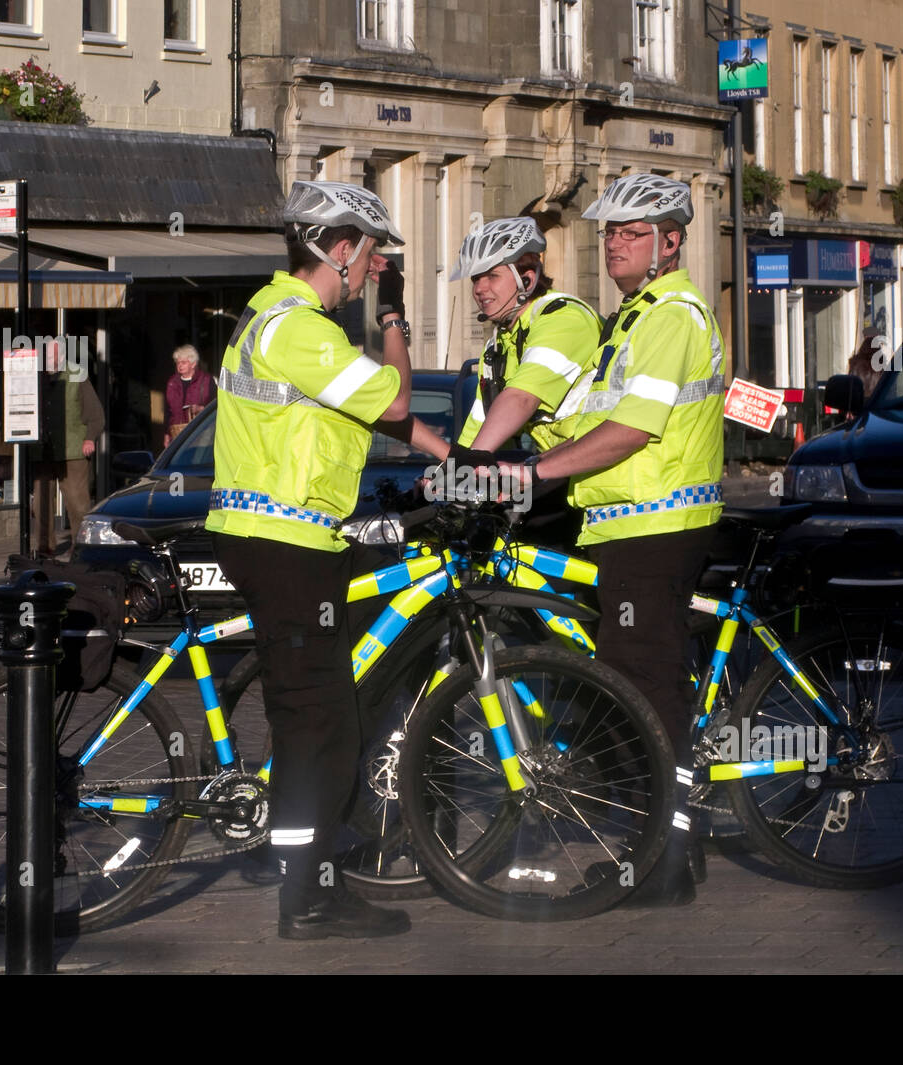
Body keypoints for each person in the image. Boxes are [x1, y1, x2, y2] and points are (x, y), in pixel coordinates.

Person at [207, 180, 447, 940]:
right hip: (285, 544)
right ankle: (306, 899)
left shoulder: (276, 320)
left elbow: (369, 417)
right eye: (370, 256)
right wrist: (395, 319)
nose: (373, 269)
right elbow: (396, 401)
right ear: (340, 251)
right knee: (321, 722)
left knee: (315, 713)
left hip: (287, 540)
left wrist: (459, 457)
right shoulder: (300, 330)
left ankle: (312, 881)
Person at [499, 173, 726, 905]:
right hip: (626, 526)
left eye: (630, 234)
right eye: (610, 234)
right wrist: (505, 459)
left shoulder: (674, 315)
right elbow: (592, 419)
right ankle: (661, 847)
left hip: (657, 524)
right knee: (636, 689)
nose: (615, 246)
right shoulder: (631, 318)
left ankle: (663, 859)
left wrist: (535, 476)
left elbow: (632, 431)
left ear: (670, 242)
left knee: (648, 695)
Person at [451, 218, 601, 458]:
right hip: (563, 464)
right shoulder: (499, 344)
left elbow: (521, 399)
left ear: (527, 280)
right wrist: (448, 470)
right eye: (475, 279)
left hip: (600, 464)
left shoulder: (564, 320)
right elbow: (480, 423)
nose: (479, 288)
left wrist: (465, 466)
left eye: (491, 276)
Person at [32, 343, 104, 558]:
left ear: (61, 356)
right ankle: (45, 546)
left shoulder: (77, 375)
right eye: (45, 354)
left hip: (72, 449)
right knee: (41, 501)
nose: (47, 358)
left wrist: (89, 439)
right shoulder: (37, 376)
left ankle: (81, 544)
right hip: (43, 448)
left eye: (51, 354)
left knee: (76, 501)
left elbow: (96, 414)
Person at [164, 344, 215, 447]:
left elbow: (216, 405)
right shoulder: (172, 383)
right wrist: (166, 434)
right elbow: (167, 412)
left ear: (193, 364)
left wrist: (202, 409)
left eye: (183, 362)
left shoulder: (206, 380)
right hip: (177, 434)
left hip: (201, 432)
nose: (180, 366)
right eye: (178, 363)